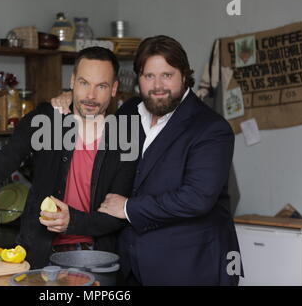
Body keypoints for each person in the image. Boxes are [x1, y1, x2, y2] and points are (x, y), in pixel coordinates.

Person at [52, 35, 242, 285]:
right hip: (130, 264)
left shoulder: (211, 128)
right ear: (138, 77)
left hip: (191, 266)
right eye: (148, 76)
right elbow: (93, 122)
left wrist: (128, 208)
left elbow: (197, 198)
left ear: (184, 75)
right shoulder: (129, 111)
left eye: (167, 75)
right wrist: (70, 99)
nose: (158, 85)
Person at [0, 47, 137, 269]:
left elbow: (118, 214)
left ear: (114, 89)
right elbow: (12, 151)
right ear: (71, 82)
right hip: (39, 256)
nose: (91, 95)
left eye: (101, 86)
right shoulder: (48, 119)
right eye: (84, 83)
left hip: (96, 259)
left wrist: (74, 222)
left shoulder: (125, 138)